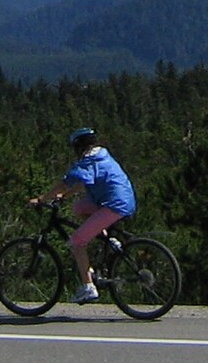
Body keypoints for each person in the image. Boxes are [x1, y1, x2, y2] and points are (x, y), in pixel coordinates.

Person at [30, 127, 136, 304]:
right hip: (120, 201)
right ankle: (109, 241)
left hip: (114, 206)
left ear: (79, 146)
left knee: (77, 242)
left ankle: (88, 287)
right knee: (79, 207)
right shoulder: (100, 155)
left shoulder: (89, 160)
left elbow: (66, 182)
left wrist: (42, 199)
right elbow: (84, 181)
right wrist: (65, 196)